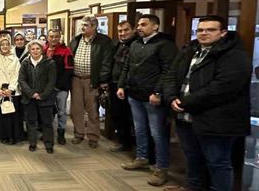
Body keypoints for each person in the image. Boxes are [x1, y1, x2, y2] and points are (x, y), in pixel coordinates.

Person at [163, 16, 252, 191]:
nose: (204, 33)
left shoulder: (235, 55)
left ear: (223, 32)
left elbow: (223, 87)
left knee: (217, 162)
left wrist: (187, 102)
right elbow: (171, 75)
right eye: (200, 30)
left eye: (210, 30)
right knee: (191, 157)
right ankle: (192, 187)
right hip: (185, 116)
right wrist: (171, 97)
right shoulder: (190, 50)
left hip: (217, 119)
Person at [118, 14, 178, 186]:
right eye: (138, 25)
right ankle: (142, 158)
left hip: (152, 97)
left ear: (155, 26)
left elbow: (168, 71)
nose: (139, 28)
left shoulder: (165, 45)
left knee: (157, 133)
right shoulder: (136, 44)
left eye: (143, 25)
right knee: (139, 129)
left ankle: (161, 168)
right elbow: (127, 66)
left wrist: (158, 92)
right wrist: (122, 85)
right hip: (134, 93)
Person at [69, 15, 113, 148]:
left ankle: (93, 137)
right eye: (81, 25)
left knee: (92, 109)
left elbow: (106, 62)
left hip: (92, 80)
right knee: (76, 110)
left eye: (85, 25)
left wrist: (103, 80)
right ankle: (78, 134)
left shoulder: (104, 41)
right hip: (76, 78)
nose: (82, 27)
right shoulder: (76, 40)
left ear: (94, 27)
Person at [100, 20, 136, 152]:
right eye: (120, 31)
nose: (123, 33)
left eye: (126, 30)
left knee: (129, 116)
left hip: (128, 87)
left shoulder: (136, 45)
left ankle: (132, 144)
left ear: (133, 30)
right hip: (114, 84)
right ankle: (124, 142)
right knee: (118, 115)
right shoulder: (118, 45)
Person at [19, 40, 57, 153]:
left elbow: (52, 81)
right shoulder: (25, 63)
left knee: (47, 123)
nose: (35, 51)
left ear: (42, 50)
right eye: (33, 49)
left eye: (37, 49)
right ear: (29, 51)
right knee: (31, 122)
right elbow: (22, 80)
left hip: (45, 98)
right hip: (29, 98)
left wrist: (43, 95)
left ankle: (49, 144)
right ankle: (32, 143)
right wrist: (31, 93)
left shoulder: (50, 63)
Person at [0, 37, 23, 144]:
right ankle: (3, 136)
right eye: (2, 44)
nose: (5, 47)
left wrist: (11, 89)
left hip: (13, 92)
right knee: (2, 115)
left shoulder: (16, 60)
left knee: (13, 115)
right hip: (0, 92)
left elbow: (17, 75)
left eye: (7, 44)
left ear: (10, 46)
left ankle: (14, 137)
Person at [45, 28, 74, 145]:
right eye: (51, 36)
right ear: (48, 37)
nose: (54, 39)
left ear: (59, 37)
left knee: (61, 111)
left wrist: (57, 86)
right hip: (47, 89)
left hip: (61, 88)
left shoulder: (66, 51)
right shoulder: (43, 50)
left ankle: (61, 133)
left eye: (56, 36)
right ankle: (48, 133)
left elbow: (69, 70)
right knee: (48, 111)